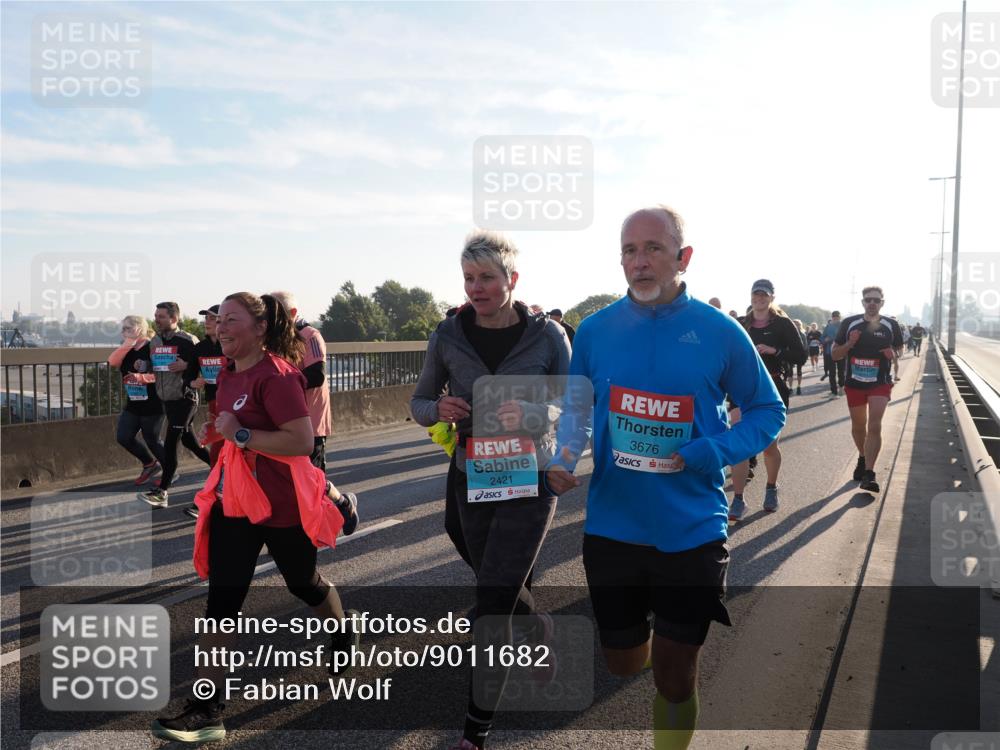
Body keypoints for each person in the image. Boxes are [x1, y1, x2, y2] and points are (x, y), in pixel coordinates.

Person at [545, 206, 784, 750]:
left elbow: (767, 410)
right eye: (629, 250)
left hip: (692, 527)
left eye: (653, 248)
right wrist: (564, 457)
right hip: (613, 525)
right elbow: (577, 409)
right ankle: (651, 632)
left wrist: (714, 450)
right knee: (624, 661)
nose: (639, 261)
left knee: (675, 676)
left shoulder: (720, 332)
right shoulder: (597, 331)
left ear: (683, 257)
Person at [151, 292, 357, 743]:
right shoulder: (226, 375)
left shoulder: (279, 377)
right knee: (221, 605)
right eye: (218, 320)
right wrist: (219, 439)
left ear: (260, 328)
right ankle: (208, 710)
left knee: (304, 584)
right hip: (236, 504)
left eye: (231, 320)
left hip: (281, 506)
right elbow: (232, 436)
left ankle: (342, 631)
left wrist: (241, 433)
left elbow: (301, 442)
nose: (220, 327)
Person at [410, 230, 571, 750]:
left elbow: (571, 404)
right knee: (490, 577)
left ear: (512, 280)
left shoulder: (549, 337)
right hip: (471, 473)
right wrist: (441, 410)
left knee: (493, 600)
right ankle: (537, 627)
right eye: (468, 279)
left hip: (530, 474)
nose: (476, 288)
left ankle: (474, 732)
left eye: (486, 278)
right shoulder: (447, 334)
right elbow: (420, 401)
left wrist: (531, 413)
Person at [270, 291, 357, 534]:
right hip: (282, 423)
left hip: (311, 421)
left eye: (276, 311)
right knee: (289, 481)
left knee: (309, 480)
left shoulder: (309, 336)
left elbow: (317, 375)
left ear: (293, 313)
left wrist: (279, 383)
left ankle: (339, 505)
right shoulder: (271, 339)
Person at [728, 280, 806, 519]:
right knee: (739, 445)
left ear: (772, 297)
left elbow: (800, 356)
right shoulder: (741, 323)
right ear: (751, 296)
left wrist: (775, 351)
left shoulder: (782, 324)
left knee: (770, 446)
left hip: (772, 389)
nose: (759, 298)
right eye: (756, 294)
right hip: (742, 390)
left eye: (764, 295)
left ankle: (771, 488)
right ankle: (738, 500)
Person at [138, 302, 211, 508]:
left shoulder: (188, 340)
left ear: (174, 318)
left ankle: (162, 492)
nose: (156, 319)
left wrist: (186, 365)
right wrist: (142, 366)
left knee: (170, 443)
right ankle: (222, 470)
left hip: (185, 398)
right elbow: (153, 365)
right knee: (190, 442)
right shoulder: (155, 341)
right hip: (167, 399)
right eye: (155, 315)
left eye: (161, 316)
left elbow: (204, 364)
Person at [832, 286, 903, 493]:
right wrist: (850, 343)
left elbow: (899, 349)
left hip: (879, 382)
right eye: (868, 300)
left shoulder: (891, 324)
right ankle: (862, 458)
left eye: (876, 300)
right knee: (858, 426)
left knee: (874, 425)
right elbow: (835, 354)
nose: (872, 303)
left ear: (882, 303)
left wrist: (893, 354)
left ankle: (870, 474)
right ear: (862, 302)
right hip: (854, 383)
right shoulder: (849, 323)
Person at [108, 315, 164, 485]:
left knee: (152, 439)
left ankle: (169, 470)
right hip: (134, 401)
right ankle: (150, 464)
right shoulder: (128, 349)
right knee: (124, 437)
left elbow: (163, 375)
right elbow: (112, 362)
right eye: (123, 328)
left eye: (128, 328)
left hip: (154, 401)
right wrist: (128, 343)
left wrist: (142, 378)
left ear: (140, 328)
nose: (123, 332)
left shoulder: (154, 345)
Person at [182, 305, 225, 519]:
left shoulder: (233, 346)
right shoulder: (200, 349)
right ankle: (209, 502)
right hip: (215, 405)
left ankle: (216, 500)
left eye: (211, 318)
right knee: (218, 454)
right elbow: (187, 376)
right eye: (205, 318)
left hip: (239, 405)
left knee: (231, 454)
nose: (206, 322)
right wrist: (194, 381)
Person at [821, 311, 845, 397]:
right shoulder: (828, 326)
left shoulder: (843, 326)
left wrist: (831, 339)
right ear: (832, 317)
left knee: (841, 371)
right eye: (834, 317)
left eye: (837, 317)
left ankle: (841, 387)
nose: (835, 319)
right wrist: (825, 340)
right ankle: (834, 391)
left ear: (839, 317)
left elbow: (845, 337)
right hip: (829, 352)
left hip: (841, 351)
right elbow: (822, 337)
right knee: (832, 372)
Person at [791, 318, 807, 395]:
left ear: (800, 325)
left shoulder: (802, 334)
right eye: (794, 324)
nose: (795, 325)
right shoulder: (788, 333)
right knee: (789, 372)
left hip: (799, 355)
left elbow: (805, 346)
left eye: (797, 324)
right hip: (790, 354)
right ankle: (790, 388)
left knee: (799, 371)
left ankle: (798, 386)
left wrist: (804, 356)